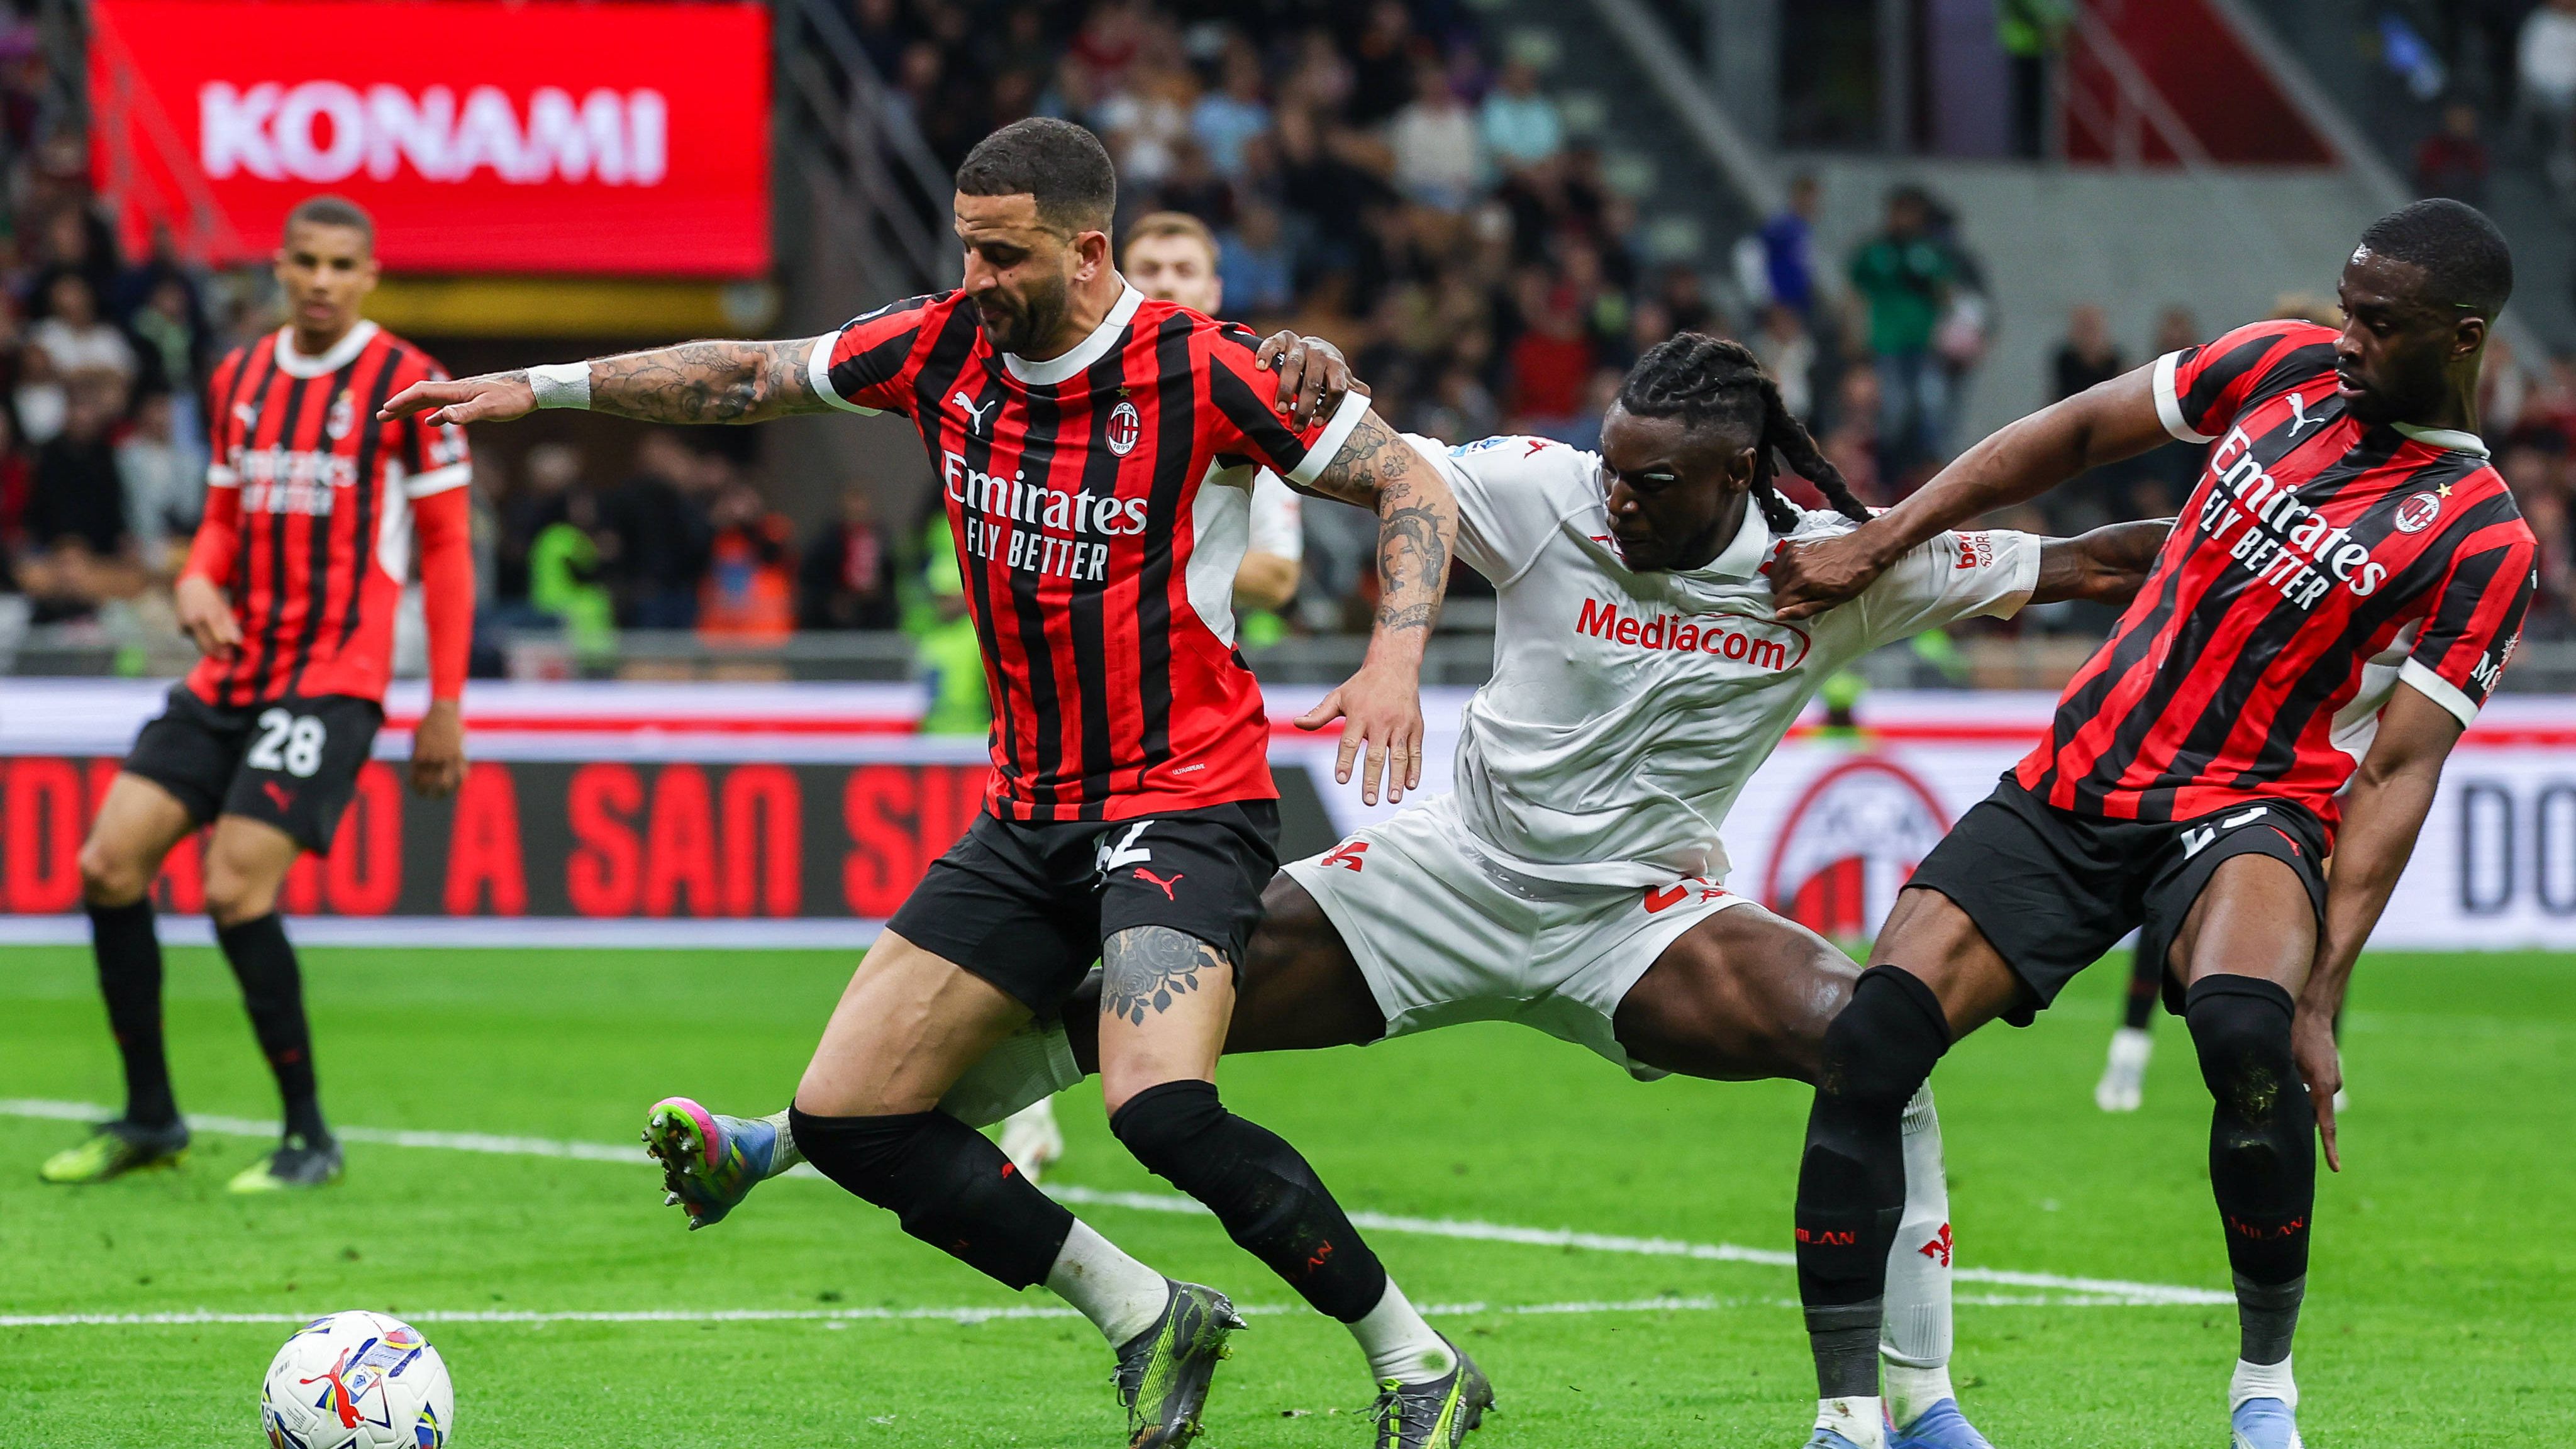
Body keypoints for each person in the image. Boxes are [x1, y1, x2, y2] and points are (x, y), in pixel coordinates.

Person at [640, 335, 2170, 1449]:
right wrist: (1319, 374)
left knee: (1873, 1039)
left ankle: (1921, 1407)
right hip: (1442, 877)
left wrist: (2263, 537)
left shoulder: (1832, 567)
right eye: (1610, 468)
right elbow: (1390, 465)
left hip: (1641, 921)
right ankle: (789, 1138)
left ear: (1736, 478)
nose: (1617, 501)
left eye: (1651, 484)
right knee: (1127, 1005)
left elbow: (2097, 562)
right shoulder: (1549, 494)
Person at [380, 118, 1471, 1449]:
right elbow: (749, 374)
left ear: (1088, 251)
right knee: (849, 1121)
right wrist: (540, 387)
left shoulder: (1204, 368)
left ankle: (1415, 1358)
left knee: (1158, 1107)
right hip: (1029, 813)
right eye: (965, 248)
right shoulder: (940, 345)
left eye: (1003, 255)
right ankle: (1145, 1311)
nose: (975, 278)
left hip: (1182, 797)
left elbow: (1411, 481)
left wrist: (1393, 659)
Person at [1768, 199, 2536, 1449]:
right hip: (2078, 778)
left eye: (2378, 322)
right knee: (1869, 1041)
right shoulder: (2278, 364)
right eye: (2346, 306)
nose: (2345, 336)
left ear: (2460, 337)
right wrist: (1882, 537)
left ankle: (2263, 1392)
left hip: (2249, 806)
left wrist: (2323, 995)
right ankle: (1851, 1417)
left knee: (2247, 1033)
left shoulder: (2483, 538)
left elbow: (2398, 770)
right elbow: (2071, 432)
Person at [43, 196, 474, 1193]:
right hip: (233, 667)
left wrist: (445, 702)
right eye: (306, 262)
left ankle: (309, 1136)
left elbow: (448, 549)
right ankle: (151, 1118)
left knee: (234, 887)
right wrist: (198, 578)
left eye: (342, 265)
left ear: (369, 276)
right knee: (108, 865)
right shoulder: (238, 376)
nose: (322, 281)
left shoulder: (410, 384)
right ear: (278, 267)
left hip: (332, 677)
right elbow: (224, 518)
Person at [989, 209, 1313, 1184]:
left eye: (1186, 266)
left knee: (1157, 932)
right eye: (1152, 265)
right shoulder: (1062, 386)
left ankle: (1134, 1089)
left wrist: (1136, 549)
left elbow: (1280, 575)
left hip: (1192, 722)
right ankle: (1025, 1111)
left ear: (1216, 288)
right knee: (1033, 925)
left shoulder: (1241, 397)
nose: (1169, 280)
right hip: (1057, 709)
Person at [796, 489, 900, 631]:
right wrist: (832, 600)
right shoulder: (827, 541)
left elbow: (891, 575)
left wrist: (880, 596)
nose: (857, 508)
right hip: (834, 625)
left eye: (861, 501)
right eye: (853, 502)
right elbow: (813, 578)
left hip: (874, 619)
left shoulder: (881, 538)